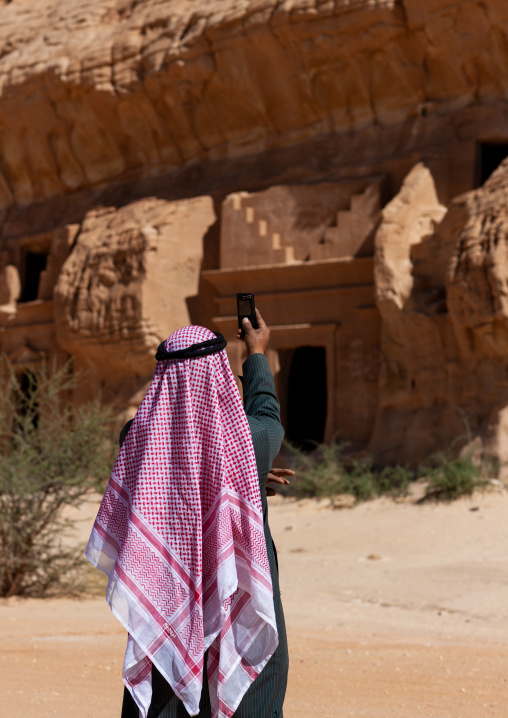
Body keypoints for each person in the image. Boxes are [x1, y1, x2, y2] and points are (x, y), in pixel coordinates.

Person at [86, 309, 291, 718]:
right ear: (219, 372)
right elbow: (266, 413)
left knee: (165, 687)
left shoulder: (136, 435)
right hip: (238, 590)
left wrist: (243, 479)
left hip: (166, 597)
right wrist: (255, 353)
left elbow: (176, 472)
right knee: (253, 686)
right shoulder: (251, 440)